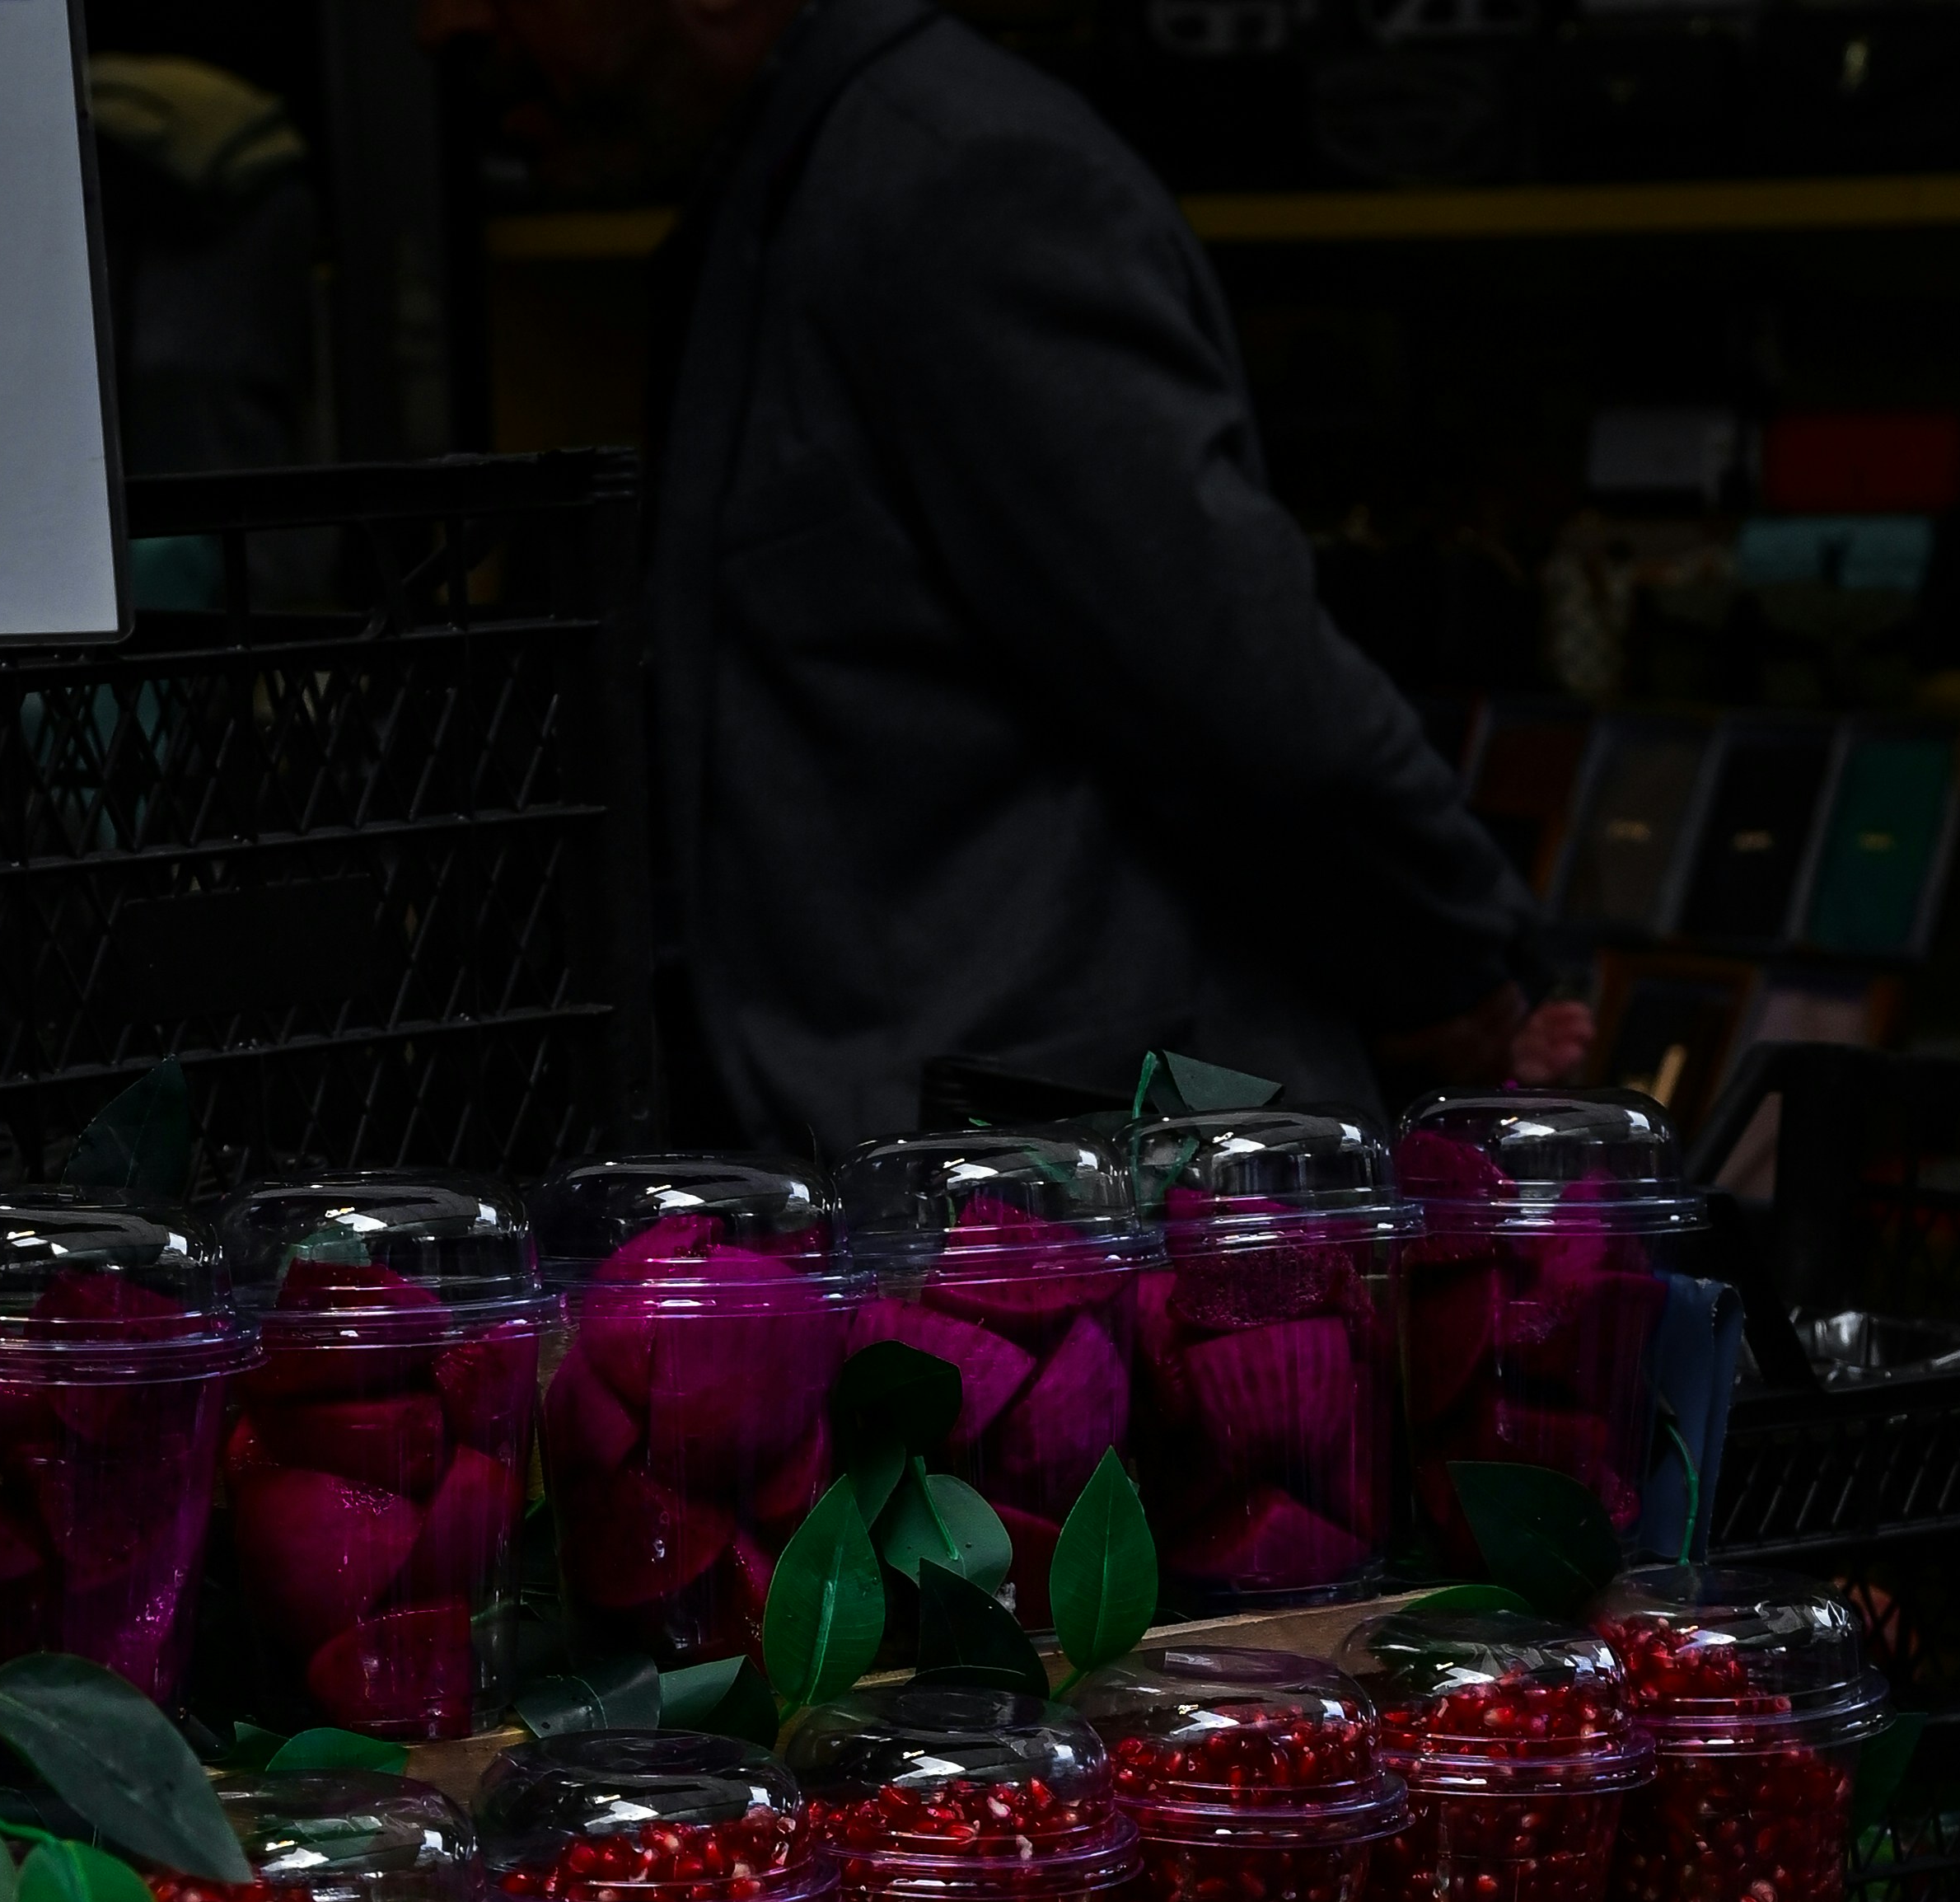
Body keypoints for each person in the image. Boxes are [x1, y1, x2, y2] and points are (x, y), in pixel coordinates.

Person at [438, 0, 1593, 1156]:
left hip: (1072, 1189)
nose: (451, 25)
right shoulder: (807, 181)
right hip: (954, 1159)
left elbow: (1236, 680)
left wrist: (1459, 974)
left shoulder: (957, 180)